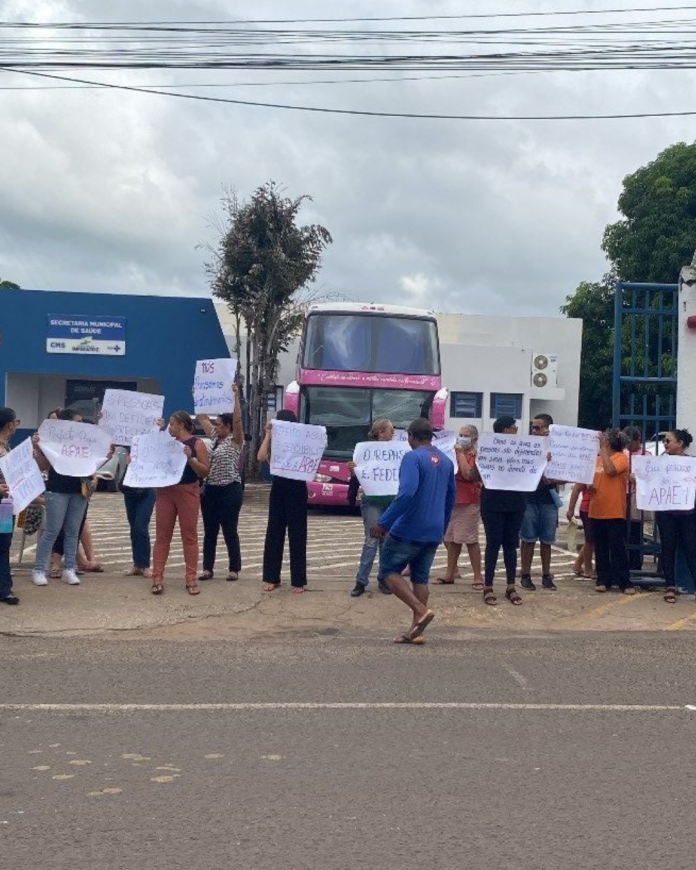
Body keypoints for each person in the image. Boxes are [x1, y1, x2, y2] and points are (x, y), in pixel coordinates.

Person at [371, 418, 455, 644]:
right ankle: (416, 632)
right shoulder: (446, 462)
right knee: (420, 577)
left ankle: (420, 610)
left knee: (387, 572)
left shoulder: (412, 458)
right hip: (434, 529)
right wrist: (442, 528)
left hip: (409, 527)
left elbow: (407, 493)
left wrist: (384, 521)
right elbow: (450, 499)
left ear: (411, 436)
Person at [31, 409, 102, 587]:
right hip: (57, 489)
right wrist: (37, 449)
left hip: (79, 490)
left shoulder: (84, 442)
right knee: (52, 531)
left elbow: (94, 462)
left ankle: (69, 568)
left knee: (73, 531)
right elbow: (43, 466)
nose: (81, 425)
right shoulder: (53, 441)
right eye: (77, 422)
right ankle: (39, 569)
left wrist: (105, 456)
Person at [150, 411, 210, 595]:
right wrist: (156, 428)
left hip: (187, 491)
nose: (170, 427)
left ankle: (190, 578)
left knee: (189, 535)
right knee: (162, 535)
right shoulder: (166, 442)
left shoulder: (196, 443)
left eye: (172, 424)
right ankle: (157, 577)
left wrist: (190, 458)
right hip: (165, 491)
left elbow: (204, 471)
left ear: (182, 425)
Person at [197, 384, 244, 582]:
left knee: (229, 529)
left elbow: (238, 420)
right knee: (210, 530)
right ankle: (208, 568)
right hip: (211, 490)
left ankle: (234, 568)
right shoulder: (215, 438)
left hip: (230, 489)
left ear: (228, 427)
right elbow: (203, 418)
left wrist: (235, 397)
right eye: (215, 425)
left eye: (219, 424)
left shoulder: (236, 440)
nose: (215, 427)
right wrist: (199, 396)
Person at [258, 409, 308, 594]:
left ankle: (298, 580)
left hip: (297, 490)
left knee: (297, 534)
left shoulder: (301, 442)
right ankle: (272, 577)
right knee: (274, 533)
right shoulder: (274, 444)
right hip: (278, 489)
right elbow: (261, 457)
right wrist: (268, 434)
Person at [479, 415, 526, 606]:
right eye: (514, 427)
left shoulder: (522, 449)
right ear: (505, 430)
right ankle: (488, 586)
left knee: (510, 544)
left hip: (515, 502)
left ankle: (510, 586)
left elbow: (532, 468)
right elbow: (476, 473)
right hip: (492, 501)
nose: (516, 430)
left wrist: (542, 459)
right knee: (493, 543)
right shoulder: (489, 448)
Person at [348, 418, 395, 597]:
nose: (393, 434)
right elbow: (361, 475)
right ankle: (361, 581)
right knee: (372, 541)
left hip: (391, 502)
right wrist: (354, 470)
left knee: (386, 542)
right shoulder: (365, 451)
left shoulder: (396, 451)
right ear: (381, 432)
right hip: (373, 501)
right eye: (390, 431)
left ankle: (383, 579)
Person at [435, 424, 483, 588]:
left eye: (465, 435)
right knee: (450, 539)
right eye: (460, 434)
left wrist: (461, 454)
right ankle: (450, 573)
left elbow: (468, 474)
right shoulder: (451, 452)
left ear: (474, 439)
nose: (461, 438)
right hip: (450, 500)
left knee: (470, 540)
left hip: (468, 501)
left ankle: (478, 576)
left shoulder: (474, 455)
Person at [590, 428, 634, 594]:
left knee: (617, 547)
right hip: (597, 509)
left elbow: (610, 471)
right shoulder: (596, 460)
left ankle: (624, 582)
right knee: (600, 548)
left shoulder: (621, 458)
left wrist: (602, 451)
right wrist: (590, 486)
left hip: (614, 510)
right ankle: (603, 579)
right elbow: (590, 479)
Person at [654, 429, 696, 604]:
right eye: (664, 441)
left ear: (680, 443)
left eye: (668, 440)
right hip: (667, 513)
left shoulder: (692, 463)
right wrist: (638, 479)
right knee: (668, 548)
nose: (665, 444)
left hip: (688, 514)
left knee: (691, 549)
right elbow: (649, 480)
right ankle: (670, 586)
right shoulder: (660, 462)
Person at [520, 413, 560, 591]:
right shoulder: (526, 446)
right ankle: (525, 575)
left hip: (549, 499)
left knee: (547, 540)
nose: (534, 431)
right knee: (528, 539)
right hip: (529, 498)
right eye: (532, 428)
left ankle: (546, 575)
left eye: (537, 427)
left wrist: (554, 480)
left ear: (548, 429)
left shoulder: (558, 448)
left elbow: (567, 474)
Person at [0, 407, 21, 605]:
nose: (17, 425)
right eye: (17, 421)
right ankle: (4, 589)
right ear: (9, 424)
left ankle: (4, 587)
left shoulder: (6, 446)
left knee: (4, 543)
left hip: (5, 505)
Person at [623, 425, 648, 571]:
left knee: (635, 532)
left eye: (630, 442)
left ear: (638, 440)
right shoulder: (622, 454)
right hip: (622, 495)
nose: (628, 446)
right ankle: (622, 566)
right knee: (621, 532)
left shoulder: (646, 455)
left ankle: (635, 565)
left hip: (636, 497)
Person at [567, 483, 594, 578]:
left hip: (601, 508)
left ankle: (578, 564)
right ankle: (588, 568)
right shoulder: (588, 470)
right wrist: (571, 509)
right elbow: (576, 489)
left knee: (594, 539)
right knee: (590, 540)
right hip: (587, 508)